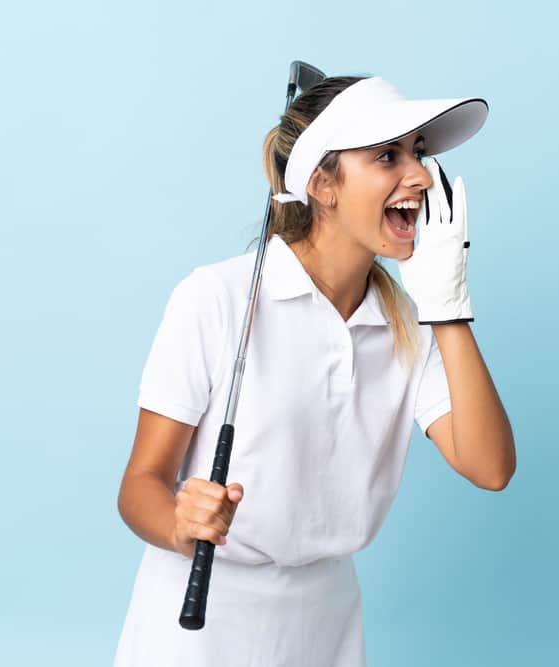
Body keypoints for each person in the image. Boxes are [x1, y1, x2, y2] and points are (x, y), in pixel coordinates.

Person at [113, 75, 515, 666]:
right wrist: (179, 521)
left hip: (325, 625)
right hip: (198, 625)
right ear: (323, 184)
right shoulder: (217, 298)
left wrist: (448, 307)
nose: (422, 176)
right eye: (387, 155)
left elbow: (490, 467)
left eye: (420, 153)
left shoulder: (405, 320)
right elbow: (139, 485)